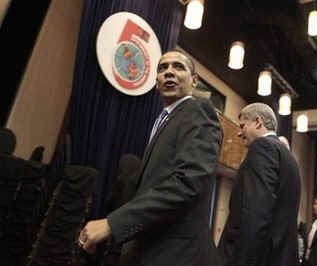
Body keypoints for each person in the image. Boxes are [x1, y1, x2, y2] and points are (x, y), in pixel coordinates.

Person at [78, 50, 222, 266]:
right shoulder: (166, 119)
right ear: (156, 83)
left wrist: (112, 224)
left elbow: (188, 182)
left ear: (194, 81)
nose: (169, 72)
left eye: (178, 67)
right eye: (163, 68)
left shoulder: (198, 110)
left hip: (177, 253)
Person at [218, 102, 301, 266]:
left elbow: (255, 212)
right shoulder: (288, 156)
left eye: (242, 126)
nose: (239, 133)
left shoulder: (262, 147)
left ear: (257, 121)